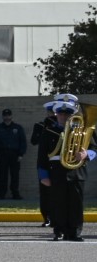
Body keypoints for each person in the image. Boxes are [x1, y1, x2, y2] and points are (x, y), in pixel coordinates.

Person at [40, 98, 92, 241]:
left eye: (67, 114)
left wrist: (85, 154)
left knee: (76, 203)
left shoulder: (81, 130)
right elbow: (42, 156)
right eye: (61, 114)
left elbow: (94, 148)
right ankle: (59, 231)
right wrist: (43, 175)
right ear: (56, 115)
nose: (64, 117)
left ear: (72, 115)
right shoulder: (49, 132)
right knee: (58, 202)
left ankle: (74, 232)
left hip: (76, 170)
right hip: (56, 170)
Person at [0, 109, 27, 199]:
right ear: (3, 116)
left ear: (11, 116)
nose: (7, 117)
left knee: (15, 175)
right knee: (2, 175)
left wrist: (21, 154)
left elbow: (23, 142)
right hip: (2, 154)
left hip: (15, 154)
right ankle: (1, 194)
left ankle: (15, 193)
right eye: (5, 115)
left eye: (8, 115)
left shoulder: (18, 128)